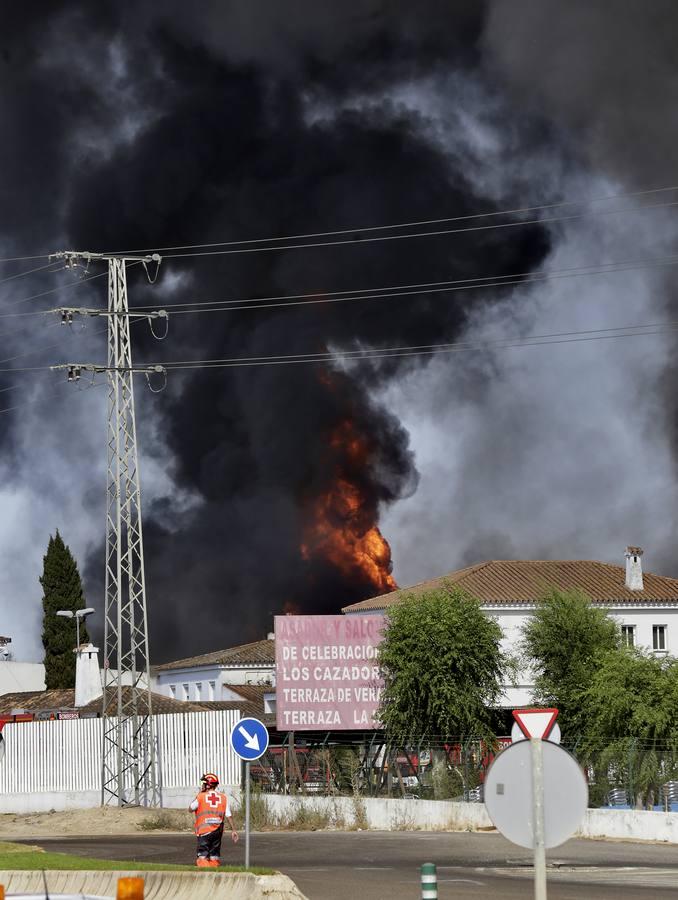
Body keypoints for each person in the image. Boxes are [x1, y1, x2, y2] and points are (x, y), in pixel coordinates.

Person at [189, 772, 239, 867]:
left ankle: (205, 876)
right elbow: (229, 815)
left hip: (204, 831)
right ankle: (215, 874)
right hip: (217, 831)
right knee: (214, 857)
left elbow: (190, 808)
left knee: (202, 857)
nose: (202, 785)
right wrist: (234, 830)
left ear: (208, 785)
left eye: (204, 783)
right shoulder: (223, 798)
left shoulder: (201, 796)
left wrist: (199, 795)